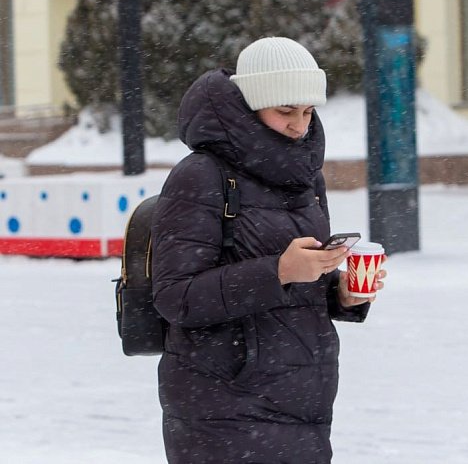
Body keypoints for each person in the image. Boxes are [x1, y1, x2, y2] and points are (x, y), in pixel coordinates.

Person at [151, 37, 386, 463]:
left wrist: (340, 292)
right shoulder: (201, 176)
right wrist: (277, 271)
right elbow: (176, 298)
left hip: (303, 396)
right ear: (250, 106)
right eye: (285, 112)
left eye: (309, 111)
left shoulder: (304, 176)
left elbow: (299, 277)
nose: (300, 125)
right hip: (223, 400)